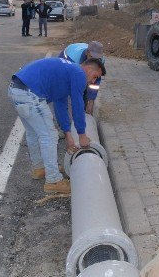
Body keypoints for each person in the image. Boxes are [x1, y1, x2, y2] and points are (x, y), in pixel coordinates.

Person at [7, 57, 104, 193]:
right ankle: (53, 181)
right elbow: (77, 105)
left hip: (16, 90)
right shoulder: (79, 74)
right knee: (50, 136)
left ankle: (40, 168)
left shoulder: (67, 72)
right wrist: (82, 135)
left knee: (34, 133)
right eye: (95, 76)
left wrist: (69, 136)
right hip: (30, 94)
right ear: (88, 68)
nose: (93, 81)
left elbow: (60, 106)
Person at [59, 41, 106, 115]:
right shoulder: (74, 59)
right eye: (91, 57)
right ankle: (64, 114)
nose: (94, 61)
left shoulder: (101, 60)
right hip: (67, 57)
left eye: (97, 58)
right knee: (65, 89)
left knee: (86, 88)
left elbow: (95, 83)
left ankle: (82, 111)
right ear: (87, 52)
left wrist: (91, 101)